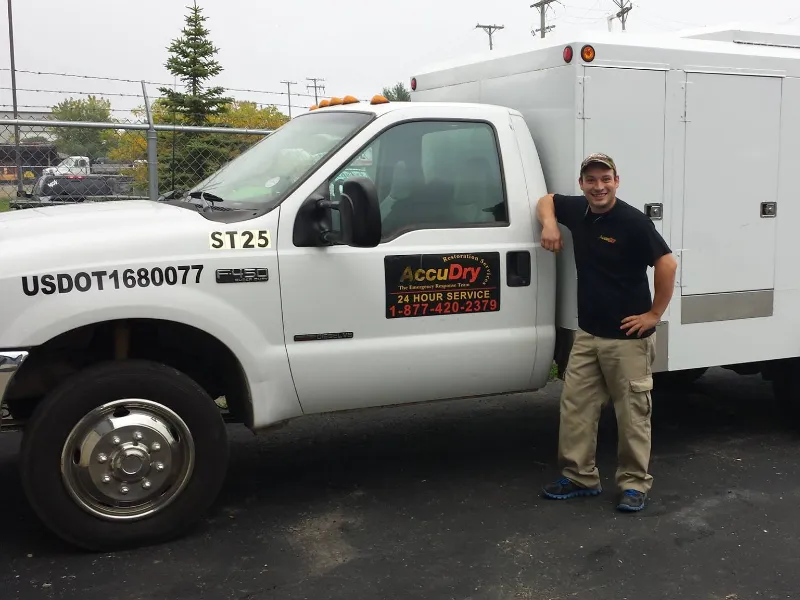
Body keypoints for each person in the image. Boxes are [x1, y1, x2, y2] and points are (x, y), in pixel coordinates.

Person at [536, 153, 678, 513]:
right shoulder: (578, 211)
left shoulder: (631, 222)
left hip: (627, 340)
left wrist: (654, 314)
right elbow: (546, 200)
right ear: (582, 183)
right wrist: (550, 224)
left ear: (617, 181)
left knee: (632, 414)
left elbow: (667, 262)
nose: (598, 186)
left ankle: (634, 484)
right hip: (588, 334)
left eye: (605, 179)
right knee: (576, 407)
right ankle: (580, 477)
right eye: (591, 180)